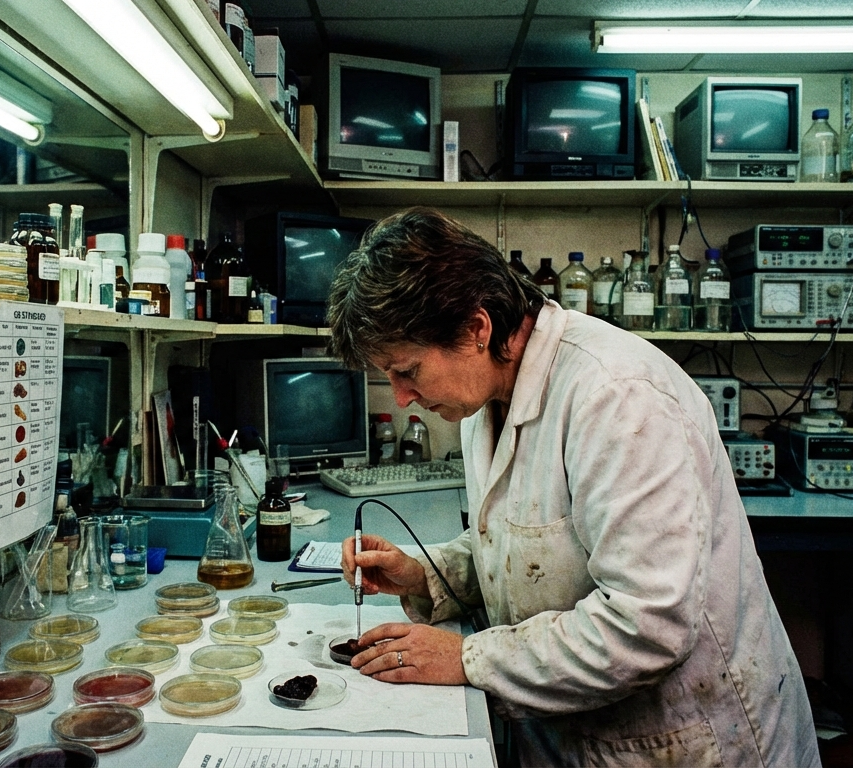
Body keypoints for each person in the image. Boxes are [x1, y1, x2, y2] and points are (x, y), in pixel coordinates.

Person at [328, 209, 820, 767]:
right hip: (575, 733)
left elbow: (646, 626)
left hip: (684, 741)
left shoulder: (615, 396)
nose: (400, 398)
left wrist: (468, 659)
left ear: (476, 328)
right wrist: (424, 575)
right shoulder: (482, 397)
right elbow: (533, 544)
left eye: (407, 371)